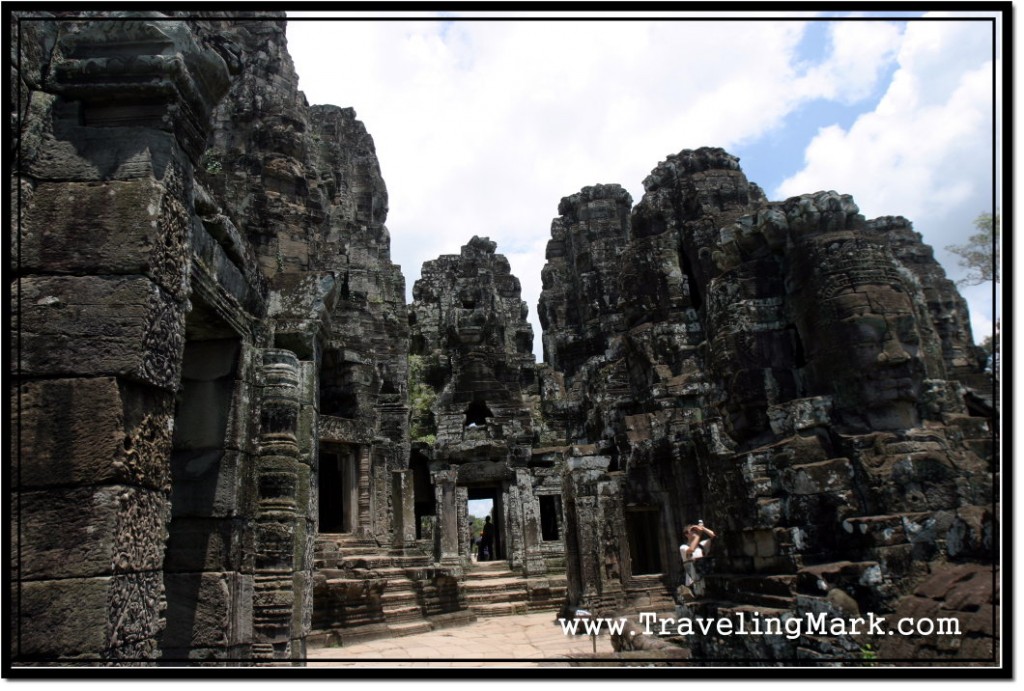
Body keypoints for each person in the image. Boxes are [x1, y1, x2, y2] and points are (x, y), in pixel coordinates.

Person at [680, 520, 715, 591]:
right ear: (686, 534)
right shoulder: (683, 547)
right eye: (692, 530)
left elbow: (714, 536)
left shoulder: (702, 545)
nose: (694, 531)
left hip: (704, 578)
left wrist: (703, 528)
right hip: (692, 581)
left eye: (695, 530)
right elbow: (691, 550)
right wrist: (698, 534)